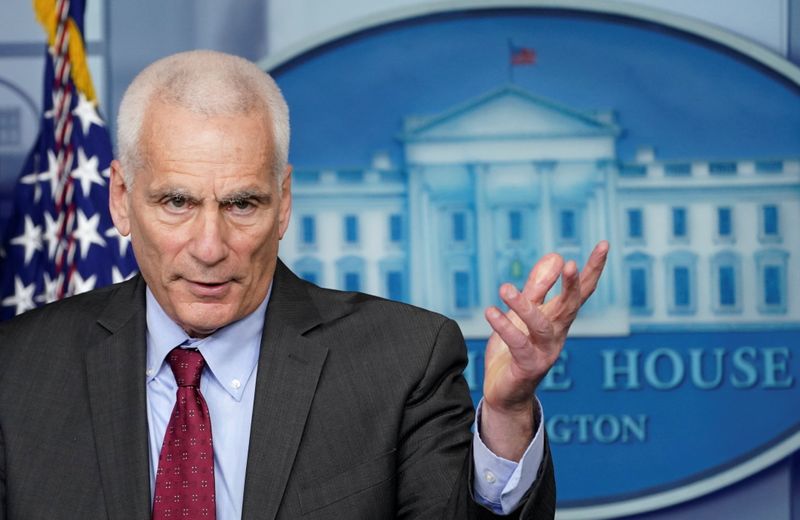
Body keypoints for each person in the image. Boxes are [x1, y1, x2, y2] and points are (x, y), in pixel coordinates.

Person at [0, 50, 608, 519]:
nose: (210, 247)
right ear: (121, 200)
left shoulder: (404, 362)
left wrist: (505, 415)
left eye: (242, 204)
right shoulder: (19, 371)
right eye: (177, 202)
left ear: (283, 202)